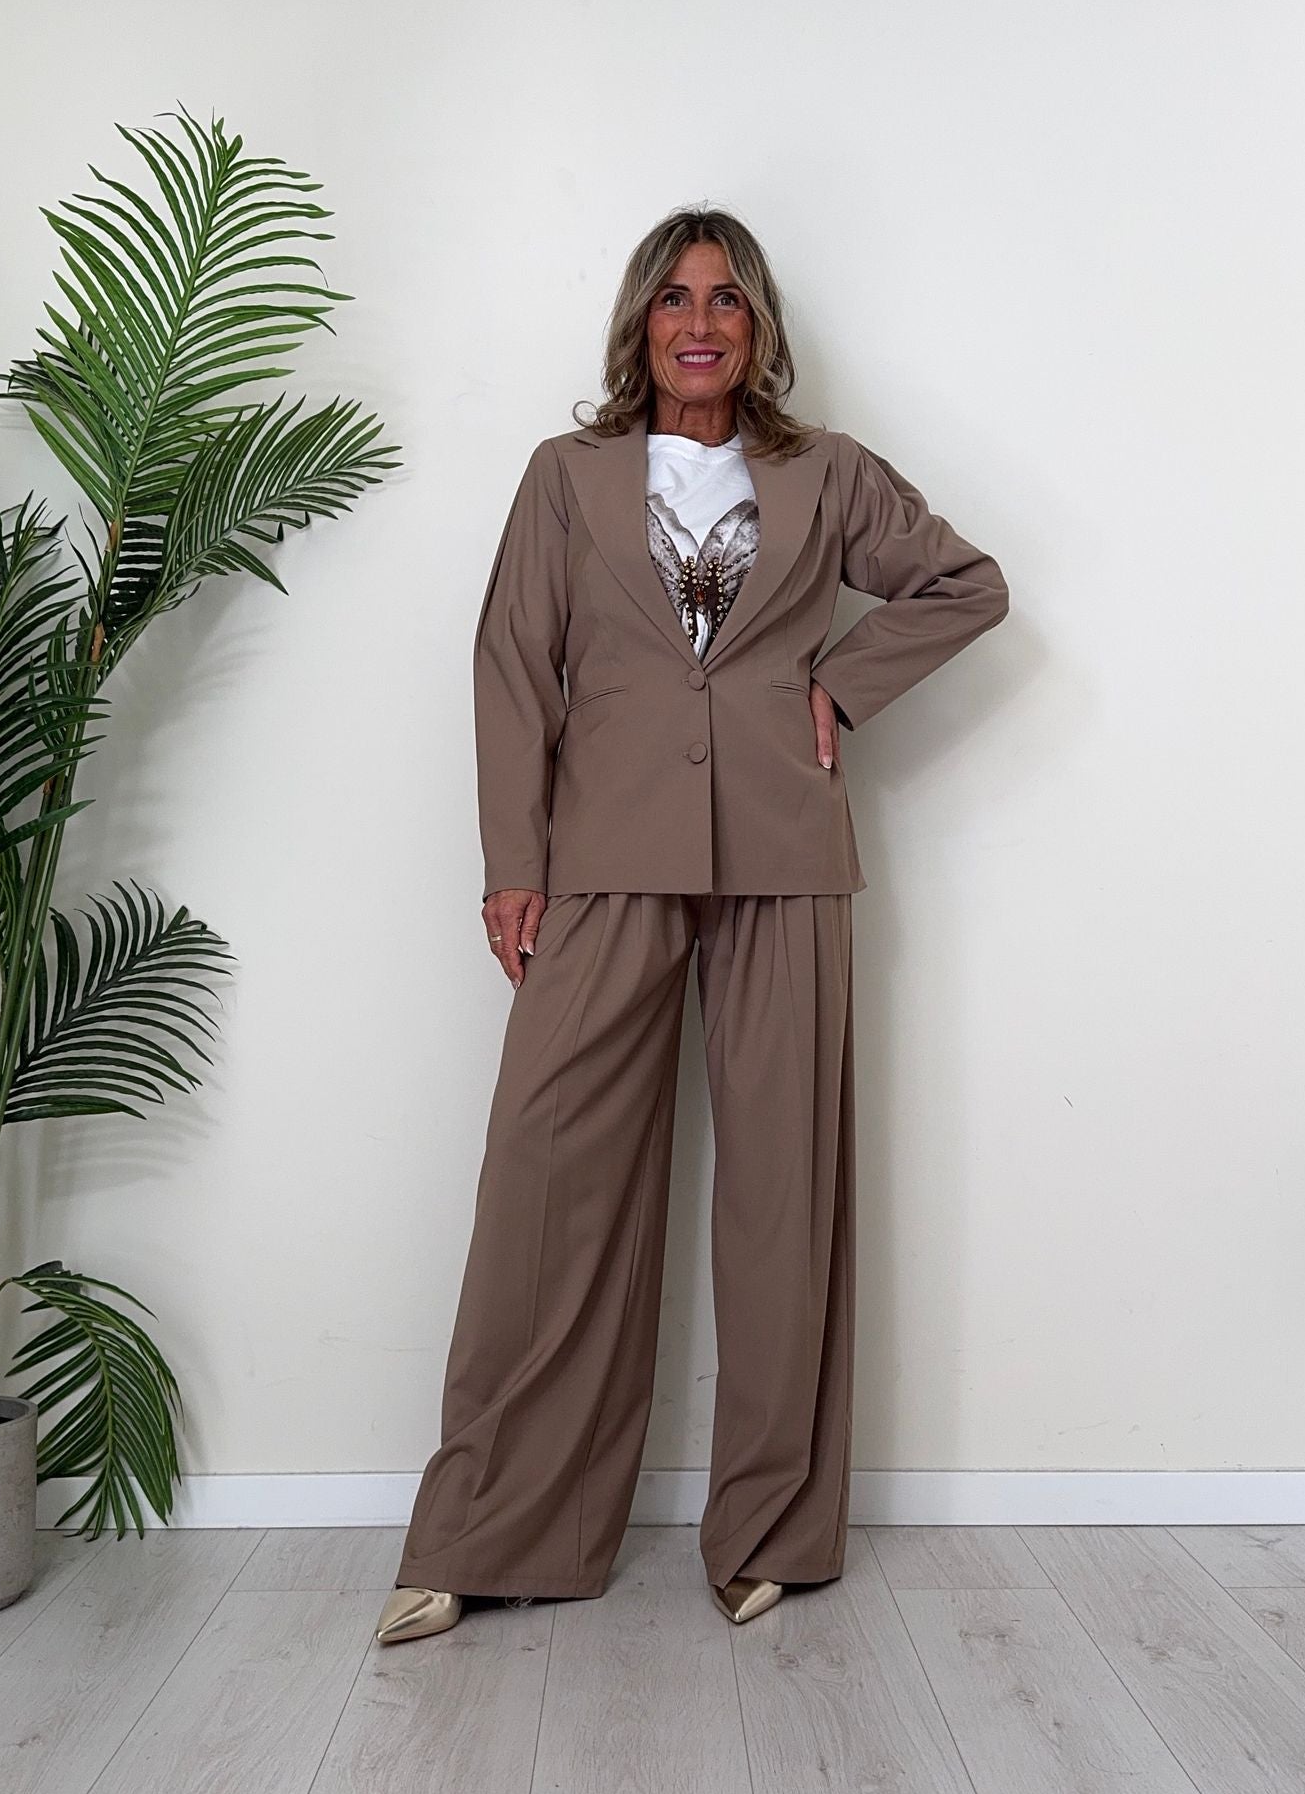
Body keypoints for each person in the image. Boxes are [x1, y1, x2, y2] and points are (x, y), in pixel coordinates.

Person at [378, 207, 1008, 1644]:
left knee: (783, 1190)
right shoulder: (569, 477)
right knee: (550, 1181)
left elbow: (967, 584)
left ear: (759, 325)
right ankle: (495, 1530)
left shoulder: (828, 473)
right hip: (602, 854)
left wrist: (840, 685)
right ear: (640, 324)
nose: (700, 322)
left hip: (786, 853)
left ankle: (772, 1528)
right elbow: (511, 663)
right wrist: (513, 861)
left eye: (726, 298)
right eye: (673, 298)